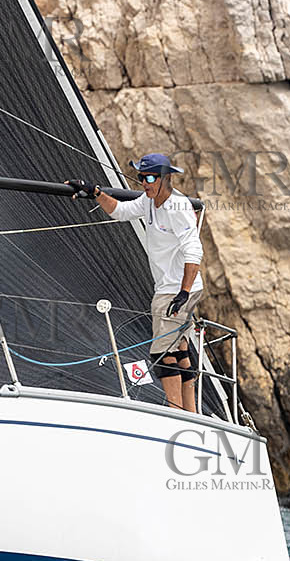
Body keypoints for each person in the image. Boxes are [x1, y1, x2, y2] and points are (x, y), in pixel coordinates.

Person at [68, 153, 203, 412]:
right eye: (141, 177)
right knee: (180, 348)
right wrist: (94, 191)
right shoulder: (149, 202)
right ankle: (191, 412)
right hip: (179, 288)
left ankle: (177, 415)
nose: (144, 182)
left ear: (166, 178)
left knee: (162, 354)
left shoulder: (178, 208)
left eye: (150, 177)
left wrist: (183, 293)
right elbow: (121, 211)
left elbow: (194, 250)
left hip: (176, 290)